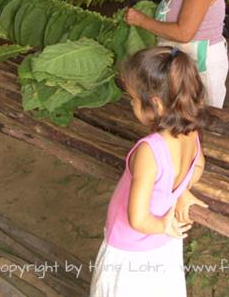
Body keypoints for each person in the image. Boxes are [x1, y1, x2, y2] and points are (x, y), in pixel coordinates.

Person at [90, 46, 208, 297]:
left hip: (129, 254)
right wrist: (182, 191)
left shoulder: (150, 151)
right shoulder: (191, 134)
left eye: (133, 99)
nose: (131, 104)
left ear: (155, 104)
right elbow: (197, 167)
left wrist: (163, 226)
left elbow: (138, 219)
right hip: (164, 249)